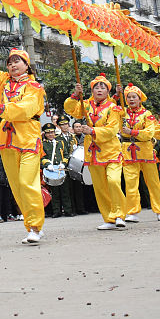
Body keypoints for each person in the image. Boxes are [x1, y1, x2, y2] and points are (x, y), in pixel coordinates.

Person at [0, 35, 46, 244]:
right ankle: (31, 224)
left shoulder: (34, 87)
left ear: (27, 65)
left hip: (28, 139)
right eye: (9, 63)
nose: (12, 65)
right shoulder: (3, 83)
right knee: (18, 187)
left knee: (28, 183)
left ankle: (35, 226)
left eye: (17, 61)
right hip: (8, 141)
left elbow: (26, 109)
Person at [64, 75, 127, 230]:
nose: (99, 90)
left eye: (103, 87)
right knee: (100, 187)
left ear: (108, 91)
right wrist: (74, 94)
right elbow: (70, 109)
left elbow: (112, 129)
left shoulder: (113, 108)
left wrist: (92, 130)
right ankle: (108, 218)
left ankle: (119, 214)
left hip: (111, 151)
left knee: (113, 181)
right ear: (92, 90)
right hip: (93, 153)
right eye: (96, 87)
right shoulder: (85, 105)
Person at [119, 84, 160, 222]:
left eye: (134, 97)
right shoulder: (122, 113)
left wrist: (132, 132)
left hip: (145, 150)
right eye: (129, 97)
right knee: (130, 183)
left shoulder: (147, 114)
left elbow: (149, 133)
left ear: (140, 99)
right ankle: (132, 212)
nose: (131, 99)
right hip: (128, 150)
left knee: (153, 183)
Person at [40, 123, 72, 218]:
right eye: (48, 133)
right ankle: (56, 211)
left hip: (61, 169)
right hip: (51, 170)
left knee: (65, 190)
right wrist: (48, 164)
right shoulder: (43, 144)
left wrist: (63, 163)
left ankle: (68, 210)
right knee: (54, 191)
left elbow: (66, 155)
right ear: (45, 134)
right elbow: (42, 157)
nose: (50, 134)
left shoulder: (60, 142)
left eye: (52, 132)